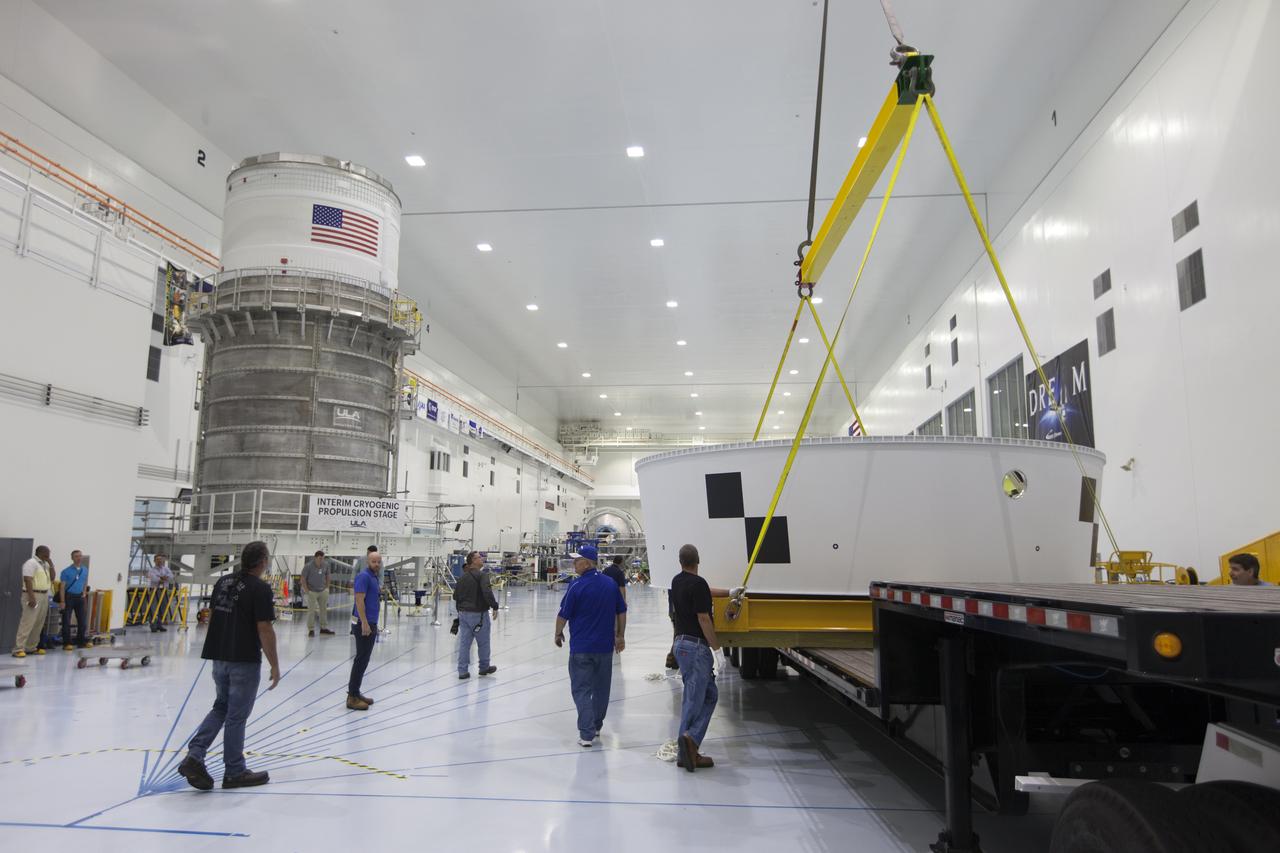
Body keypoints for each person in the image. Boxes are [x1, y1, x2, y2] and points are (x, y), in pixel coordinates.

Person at [178, 540, 280, 790]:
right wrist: (274, 665)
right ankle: (235, 770)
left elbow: (215, 615)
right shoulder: (260, 589)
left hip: (219, 657)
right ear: (263, 561)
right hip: (243, 659)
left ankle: (195, 754)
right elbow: (264, 628)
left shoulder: (222, 582)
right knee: (236, 716)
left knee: (221, 707)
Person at [554, 543, 627, 747]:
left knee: (581, 689)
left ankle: (586, 733)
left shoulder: (576, 585)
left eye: (577, 560)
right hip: (604, 648)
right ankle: (595, 726)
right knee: (602, 689)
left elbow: (563, 614)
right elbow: (621, 611)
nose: (574, 564)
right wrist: (620, 635)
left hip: (581, 648)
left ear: (587, 563)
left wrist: (558, 632)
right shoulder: (610, 584)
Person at [670, 543, 732, 772]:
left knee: (708, 695)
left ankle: (690, 741)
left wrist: (729, 592)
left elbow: (704, 592)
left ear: (680, 562)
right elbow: (704, 618)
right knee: (694, 700)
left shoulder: (677, 581)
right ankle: (686, 749)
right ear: (698, 561)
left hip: (680, 644)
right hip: (696, 648)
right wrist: (717, 649)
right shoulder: (698, 584)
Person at [454, 551, 499, 679]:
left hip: (463, 615)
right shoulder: (482, 576)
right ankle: (484, 667)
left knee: (464, 644)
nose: (482, 559)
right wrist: (494, 606)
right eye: (479, 557)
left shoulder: (462, 577)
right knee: (483, 642)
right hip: (478, 615)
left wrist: (460, 611)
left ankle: (462, 671)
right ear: (473, 561)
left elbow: (455, 596)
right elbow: (487, 592)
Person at [347, 551, 382, 711]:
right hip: (364, 623)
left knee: (364, 659)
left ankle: (356, 692)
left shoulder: (373, 577)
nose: (376, 564)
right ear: (368, 562)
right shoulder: (363, 576)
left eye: (378, 562)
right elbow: (359, 600)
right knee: (361, 659)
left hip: (371, 622)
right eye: (373, 561)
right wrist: (365, 623)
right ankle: (352, 697)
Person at [12, 546, 54, 658]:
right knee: (27, 622)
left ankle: (31, 647)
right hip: (32, 594)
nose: (49, 555)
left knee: (38, 623)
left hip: (44, 595)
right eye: (47, 553)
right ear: (41, 552)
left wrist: (51, 564)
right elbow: (27, 579)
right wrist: (31, 597)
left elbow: (53, 578)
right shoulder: (31, 563)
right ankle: (18, 648)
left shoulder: (45, 564)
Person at [59, 550, 92, 650]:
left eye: (80, 556)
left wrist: (84, 592)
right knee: (66, 620)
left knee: (82, 620)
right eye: (76, 556)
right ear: (72, 558)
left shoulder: (84, 569)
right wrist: (62, 601)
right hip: (69, 597)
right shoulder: (66, 571)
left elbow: (84, 581)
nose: (79, 558)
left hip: (80, 597)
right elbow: (62, 587)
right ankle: (67, 643)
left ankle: (81, 641)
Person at [302, 550, 334, 637]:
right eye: (320, 558)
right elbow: (303, 579)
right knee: (311, 611)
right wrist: (307, 591)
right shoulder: (308, 566)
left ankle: (323, 628)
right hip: (312, 591)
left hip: (323, 591)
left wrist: (327, 588)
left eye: (323, 558)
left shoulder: (325, 565)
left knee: (323, 610)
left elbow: (328, 576)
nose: (321, 560)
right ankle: (311, 629)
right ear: (315, 557)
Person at [148, 553, 174, 632]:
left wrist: (161, 577)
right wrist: (162, 578)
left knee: (162, 609)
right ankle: (153, 625)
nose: (159, 561)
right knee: (153, 608)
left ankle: (160, 625)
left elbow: (171, 577)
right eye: (157, 560)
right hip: (154, 591)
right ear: (154, 561)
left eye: (161, 560)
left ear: (163, 561)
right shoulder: (151, 570)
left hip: (164, 591)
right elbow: (154, 579)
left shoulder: (166, 569)